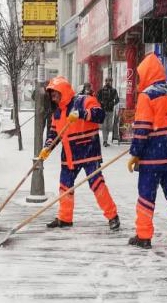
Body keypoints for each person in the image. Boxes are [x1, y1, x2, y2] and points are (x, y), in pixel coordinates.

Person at [127, 53, 167, 249]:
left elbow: (142, 129)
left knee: (146, 197)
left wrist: (135, 153)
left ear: (147, 73)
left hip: (151, 158)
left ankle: (143, 236)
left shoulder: (147, 96)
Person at [38, 76, 120, 231]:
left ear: (62, 91)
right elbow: (54, 134)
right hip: (69, 155)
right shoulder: (58, 113)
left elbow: (100, 115)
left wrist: (81, 114)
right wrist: (47, 148)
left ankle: (113, 216)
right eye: (51, 96)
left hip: (89, 152)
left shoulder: (84, 100)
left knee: (97, 185)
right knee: (65, 186)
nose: (53, 98)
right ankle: (65, 218)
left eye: (55, 94)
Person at [97, 77, 119, 147]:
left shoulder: (114, 90)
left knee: (109, 126)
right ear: (105, 81)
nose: (108, 82)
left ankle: (105, 139)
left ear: (111, 82)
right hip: (103, 110)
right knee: (104, 126)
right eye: (107, 81)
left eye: (109, 81)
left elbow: (117, 99)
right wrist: (101, 103)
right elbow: (97, 99)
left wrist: (113, 103)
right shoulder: (101, 90)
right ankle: (105, 141)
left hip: (110, 110)